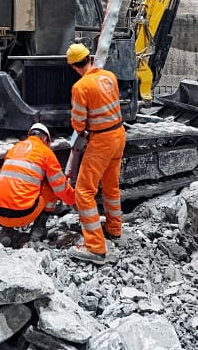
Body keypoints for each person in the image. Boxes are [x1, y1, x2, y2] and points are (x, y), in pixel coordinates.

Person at [65, 42, 126, 265]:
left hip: (101, 140)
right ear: (89, 58)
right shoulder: (110, 76)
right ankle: (114, 229)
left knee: (83, 192)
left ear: (73, 66)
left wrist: (81, 130)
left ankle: (95, 247)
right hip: (119, 134)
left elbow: (79, 122)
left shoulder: (80, 87)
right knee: (111, 186)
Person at [0, 123, 75, 249]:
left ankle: (6, 230)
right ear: (45, 139)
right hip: (23, 215)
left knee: (9, 184)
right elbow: (60, 187)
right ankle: (38, 229)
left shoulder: (14, 148)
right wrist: (75, 200)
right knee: (51, 188)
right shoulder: (46, 152)